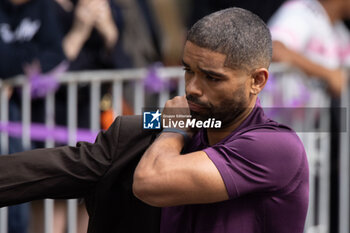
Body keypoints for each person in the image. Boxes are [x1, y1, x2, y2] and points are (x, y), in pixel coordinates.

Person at [0, 7, 308, 233]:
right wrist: (163, 124)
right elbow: (75, 161)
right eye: (189, 71)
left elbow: (152, 182)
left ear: (258, 80)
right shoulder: (162, 127)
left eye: (213, 78)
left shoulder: (277, 146)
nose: (192, 88)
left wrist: (173, 128)